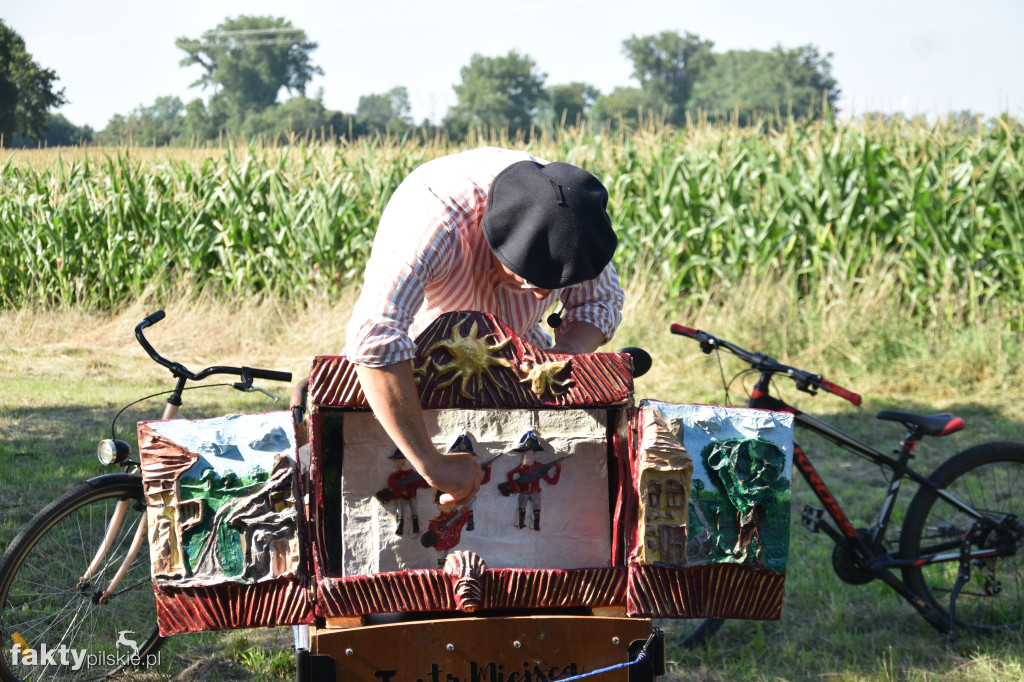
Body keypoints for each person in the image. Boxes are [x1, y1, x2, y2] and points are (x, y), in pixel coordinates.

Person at [291, 147, 624, 507]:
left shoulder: (573, 221)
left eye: (557, 285)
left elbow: (599, 302)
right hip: (414, 356)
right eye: (530, 280)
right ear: (494, 239)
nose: (544, 293)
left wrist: (556, 362)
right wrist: (431, 465)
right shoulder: (434, 222)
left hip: (521, 344)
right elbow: (377, 336)